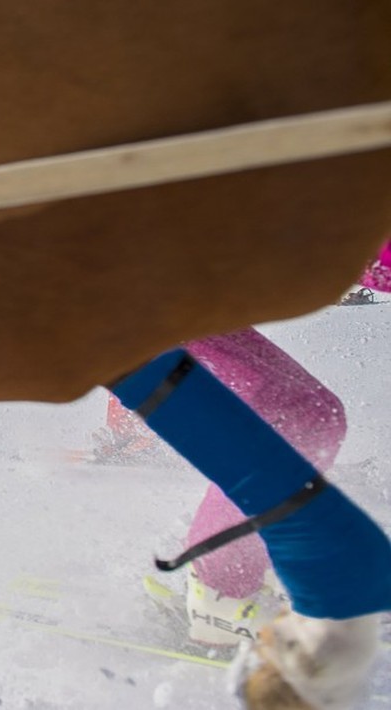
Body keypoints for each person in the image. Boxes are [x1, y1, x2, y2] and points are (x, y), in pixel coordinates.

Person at [105, 244, 391, 645]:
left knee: (308, 414)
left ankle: (224, 566)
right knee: (295, 417)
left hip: (169, 271)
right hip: (132, 266)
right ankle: (220, 591)